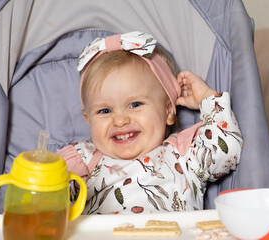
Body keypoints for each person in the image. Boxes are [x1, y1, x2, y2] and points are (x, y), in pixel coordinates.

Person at [58, 31, 243, 214]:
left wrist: (206, 98)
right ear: (88, 119)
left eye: (135, 104)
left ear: (168, 111)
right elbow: (49, 200)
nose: (120, 120)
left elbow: (227, 148)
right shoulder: (83, 159)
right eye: (104, 111)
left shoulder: (184, 155)